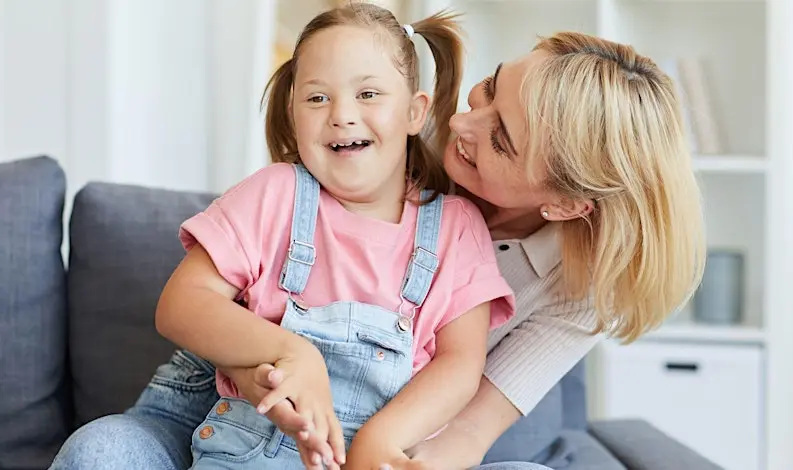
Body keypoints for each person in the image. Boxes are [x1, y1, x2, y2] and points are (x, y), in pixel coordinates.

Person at [48, 11, 706, 470]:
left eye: (501, 137)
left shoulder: (501, 257)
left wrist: (378, 453)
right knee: (103, 449)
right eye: (487, 89)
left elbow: (465, 409)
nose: (465, 123)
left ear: (565, 202)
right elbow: (204, 305)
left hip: (392, 429)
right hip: (236, 393)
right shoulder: (324, 171)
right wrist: (281, 359)